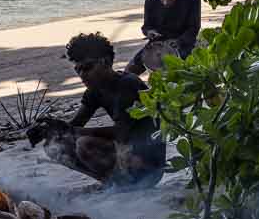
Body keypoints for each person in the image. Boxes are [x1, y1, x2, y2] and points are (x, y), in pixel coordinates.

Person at [29, 34, 166, 189]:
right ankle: (112, 183)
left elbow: (122, 132)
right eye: (78, 69)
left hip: (148, 165)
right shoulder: (95, 89)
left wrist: (72, 130)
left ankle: (123, 184)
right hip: (126, 153)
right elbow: (75, 124)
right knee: (55, 144)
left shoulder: (127, 84)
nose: (82, 74)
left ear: (106, 62)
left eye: (87, 67)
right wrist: (49, 129)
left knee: (85, 144)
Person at [125, 0, 202, 76]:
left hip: (183, 42)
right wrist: (149, 32)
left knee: (180, 71)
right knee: (130, 70)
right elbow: (146, 26)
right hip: (158, 42)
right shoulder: (151, 0)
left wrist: (179, 42)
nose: (166, 2)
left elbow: (194, 28)